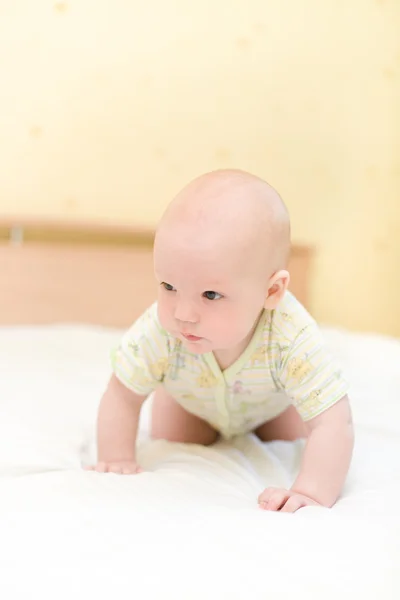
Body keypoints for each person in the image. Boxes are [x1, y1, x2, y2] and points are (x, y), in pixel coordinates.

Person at [87, 169, 354, 512]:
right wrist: (116, 458)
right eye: (169, 287)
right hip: (189, 403)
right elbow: (122, 395)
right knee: (173, 438)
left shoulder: (290, 336)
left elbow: (333, 420)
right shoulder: (161, 329)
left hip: (271, 404)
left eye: (210, 294)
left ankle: (275, 425)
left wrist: (312, 493)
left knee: (294, 434)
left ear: (271, 291)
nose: (183, 314)